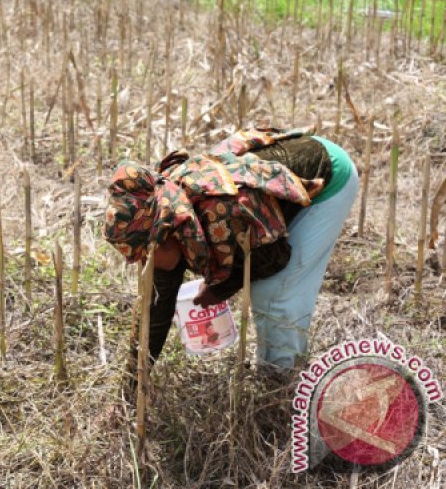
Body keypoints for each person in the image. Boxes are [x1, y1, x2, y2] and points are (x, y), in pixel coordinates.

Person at [104, 126, 358, 374]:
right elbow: (155, 310)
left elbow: (274, 259)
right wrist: (132, 382)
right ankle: (278, 371)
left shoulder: (220, 216)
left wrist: (219, 289)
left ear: (164, 235)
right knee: (265, 286)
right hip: (286, 171)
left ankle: (283, 379)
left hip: (329, 175)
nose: (144, 263)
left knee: (274, 292)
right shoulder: (170, 218)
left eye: (145, 254)